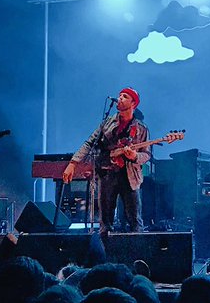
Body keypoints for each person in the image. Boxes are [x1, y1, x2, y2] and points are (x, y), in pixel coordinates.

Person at [63, 87, 150, 237]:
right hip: (107, 173)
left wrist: (134, 156)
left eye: (125, 96)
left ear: (133, 103)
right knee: (105, 221)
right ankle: (105, 255)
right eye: (120, 95)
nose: (120, 98)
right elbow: (90, 143)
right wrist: (73, 163)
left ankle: (137, 256)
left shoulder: (141, 129)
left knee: (134, 219)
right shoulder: (107, 123)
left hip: (130, 176)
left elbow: (146, 155)